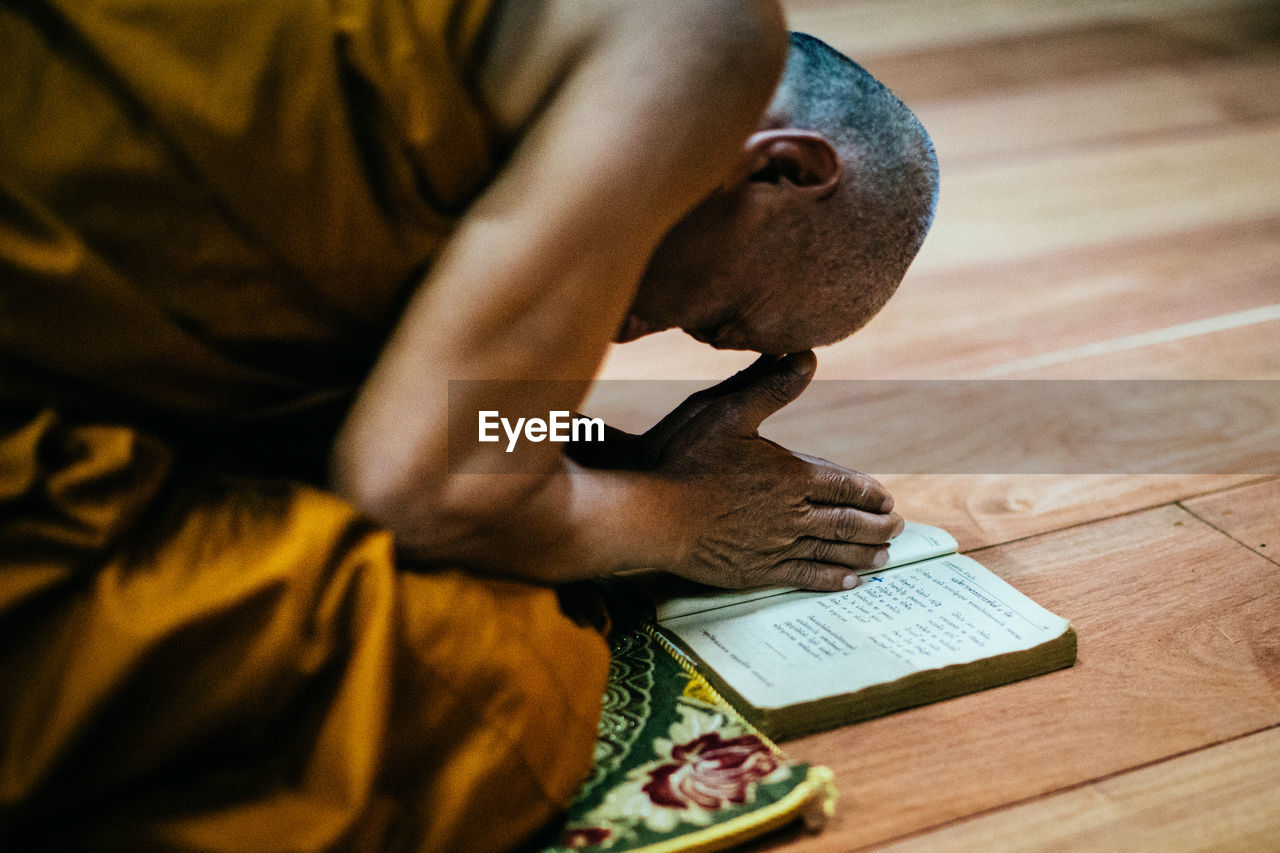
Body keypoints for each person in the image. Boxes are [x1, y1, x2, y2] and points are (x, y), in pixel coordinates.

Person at [0, 0, 937, 849]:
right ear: (782, 165)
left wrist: (614, 465)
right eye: (720, 319)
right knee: (499, 678)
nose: (656, 333)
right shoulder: (706, 34)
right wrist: (687, 516)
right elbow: (419, 490)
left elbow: (415, 404)